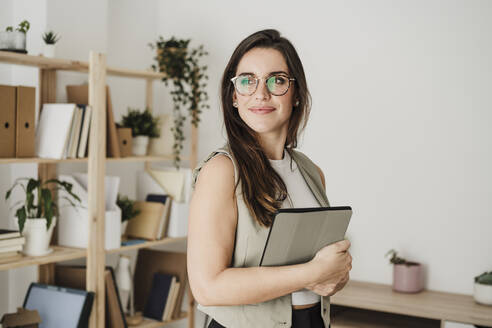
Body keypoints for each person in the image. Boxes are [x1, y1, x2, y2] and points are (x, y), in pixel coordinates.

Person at [187, 29, 352, 328]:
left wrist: (335, 276)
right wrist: (314, 272)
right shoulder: (222, 171)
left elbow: (323, 272)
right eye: (248, 81)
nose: (261, 94)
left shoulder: (312, 173)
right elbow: (207, 287)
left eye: (277, 80)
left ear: (297, 94)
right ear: (234, 96)